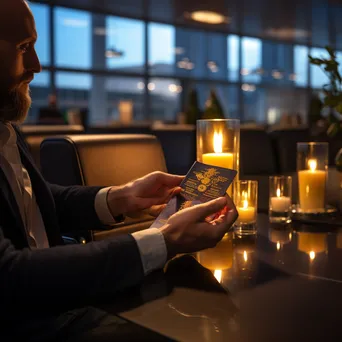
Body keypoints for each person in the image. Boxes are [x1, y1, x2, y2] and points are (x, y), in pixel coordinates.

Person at [0, 1, 238, 341]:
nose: (36, 65)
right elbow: (9, 278)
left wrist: (120, 198)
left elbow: (32, 202)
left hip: (60, 306)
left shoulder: (4, 124)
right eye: (24, 47)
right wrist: (164, 241)